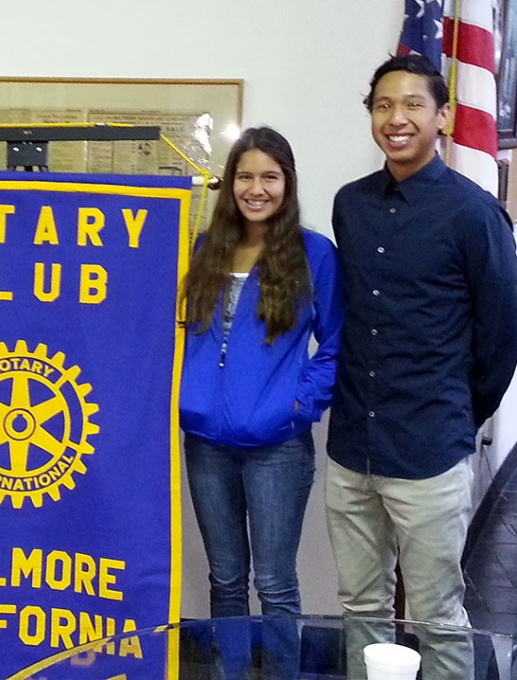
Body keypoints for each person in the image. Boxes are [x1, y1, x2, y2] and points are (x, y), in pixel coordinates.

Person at [327, 53, 517, 679]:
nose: (396, 118)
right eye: (383, 105)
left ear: (443, 116)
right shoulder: (349, 205)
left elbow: (500, 336)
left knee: (438, 615)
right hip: (352, 445)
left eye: (412, 104)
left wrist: (455, 413)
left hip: (429, 449)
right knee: (361, 607)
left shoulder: (473, 213)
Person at [179, 126, 342, 620]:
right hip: (206, 443)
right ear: (230, 184)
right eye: (245, 176)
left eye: (270, 177)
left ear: (288, 184)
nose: (256, 189)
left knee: (274, 585)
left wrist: (300, 402)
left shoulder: (315, 254)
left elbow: (337, 343)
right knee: (225, 580)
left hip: (278, 447)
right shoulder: (204, 248)